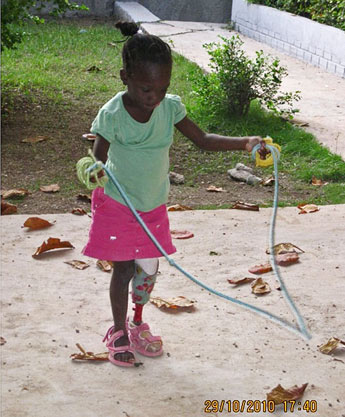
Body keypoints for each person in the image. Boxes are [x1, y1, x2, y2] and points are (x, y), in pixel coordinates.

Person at [83, 21, 267, 367]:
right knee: (122, 270)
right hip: (120, 205)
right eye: (145, 88)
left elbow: (203, 140)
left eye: (163, 87)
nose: (154, 97)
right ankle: (118, 330)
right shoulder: (112, 115)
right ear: (125, 78)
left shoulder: (169, 108)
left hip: (152, 207)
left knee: (148, 271)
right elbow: (98, 154)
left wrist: (245, 142)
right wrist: (94, 168)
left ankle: (138, 321)